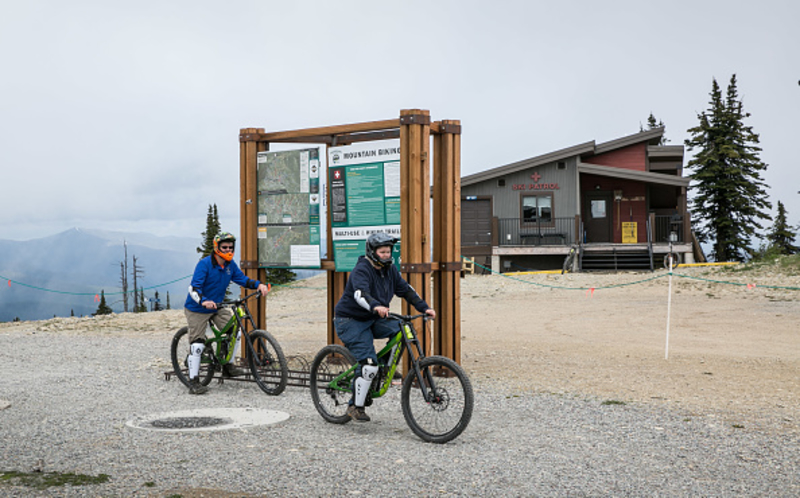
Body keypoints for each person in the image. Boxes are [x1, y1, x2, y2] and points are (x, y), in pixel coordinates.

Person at [333, 232, 436, 422]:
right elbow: (360, 294)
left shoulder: (390, 270)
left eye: (389, 251)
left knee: (402, 329)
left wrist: (425, 308)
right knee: (368, 363)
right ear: (372, 252)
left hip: (373, 318)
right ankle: (355, 405)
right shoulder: (362, 269)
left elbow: (406, 290)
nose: (387, 255)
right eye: (383, 252)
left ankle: (384, 368)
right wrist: (375, 306)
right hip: (350, 320)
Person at [183, 231, 269, 395]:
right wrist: (203, 301)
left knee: (234, 331)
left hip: (217, 306)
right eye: (225, 247)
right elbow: (194, 288)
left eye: (231, 247)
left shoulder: (230, 265)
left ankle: (227, 365)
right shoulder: (205, 264)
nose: (228, 250)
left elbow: (242, 279)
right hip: (197, 308)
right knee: (198, 345)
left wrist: (258, 285)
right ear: (217, 248)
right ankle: (193, 382)